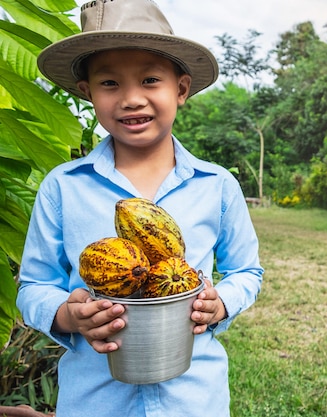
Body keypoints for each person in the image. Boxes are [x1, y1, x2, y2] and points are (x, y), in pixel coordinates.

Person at [16, 0, 263, 416]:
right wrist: (68, 315)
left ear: (180, 89)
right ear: (88, 92)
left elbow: (247, 271)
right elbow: (34, 285)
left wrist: (221, 303)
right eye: (109, 84)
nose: (131, 99)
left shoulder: (217, 185)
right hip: (95, 399)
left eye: (150, 80)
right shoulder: (62, 186)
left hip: (194, 399)